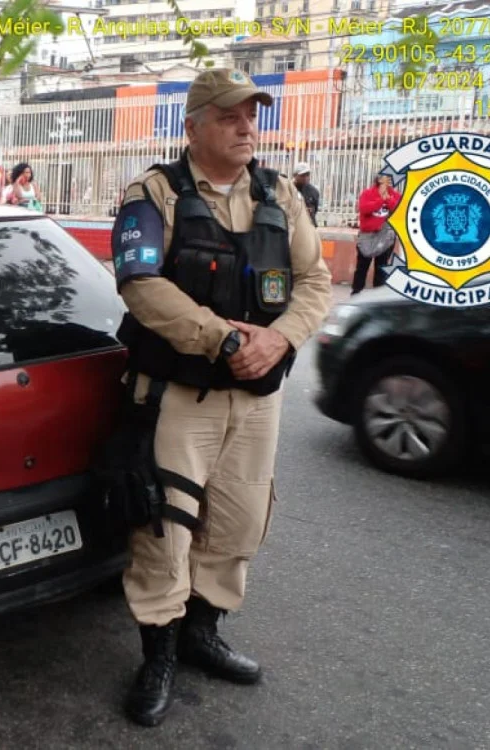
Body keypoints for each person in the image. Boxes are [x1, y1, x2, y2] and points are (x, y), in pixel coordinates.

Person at [108, 68, 333, 728]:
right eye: (229, 116)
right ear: (195, 126)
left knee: (238, 525)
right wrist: (224, 342)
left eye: (251, 115)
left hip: (257, 402)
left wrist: (281, 339)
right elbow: (141, 285)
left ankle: (202, 635)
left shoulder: (281, 195)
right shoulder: (155, 194)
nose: (246, 126)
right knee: (165, 530)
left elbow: (315, 281)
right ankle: (159, 654)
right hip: (181, 396)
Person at [353, 173, 401, 294]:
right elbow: (364, 208)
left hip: (385, 237)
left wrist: (388, 199)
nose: (389, 183)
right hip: (367, 236)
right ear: (378, 181)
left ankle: (377, 294)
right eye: (386, 181)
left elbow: (399, 209)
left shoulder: (394, 195)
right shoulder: (367, 193)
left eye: (390, 181)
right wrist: (380, 200)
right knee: (362, 267)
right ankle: (356, 292)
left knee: (381, 267)